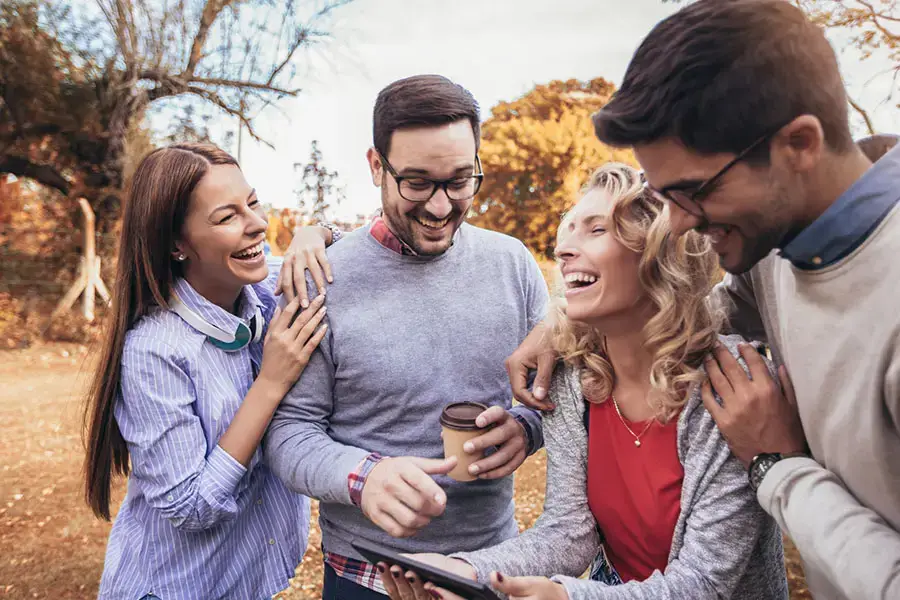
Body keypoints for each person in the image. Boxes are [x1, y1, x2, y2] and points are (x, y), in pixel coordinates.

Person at [509, 1, 900, 598]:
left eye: (693, 192)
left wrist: (776, 465)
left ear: (799, 145)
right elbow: (682, 314)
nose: (679, 224)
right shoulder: (777, 254)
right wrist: (564, 323)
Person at [377, 163, 786, 600]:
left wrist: (569, 597)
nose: (564, 249)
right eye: (568, 230)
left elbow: (705, 583)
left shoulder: (728, 389)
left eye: (595, 230)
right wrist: (462, 569)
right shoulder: (575, 378)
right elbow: (569, 532)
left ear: (660, 253)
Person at [264, 74, 548, 599]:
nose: (441, 208)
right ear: (377, 167)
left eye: (460, 181)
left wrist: (527, 429)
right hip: (365, 578)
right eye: (417, 183)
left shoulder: (515, 265)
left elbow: (558, 395)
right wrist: (363, 477)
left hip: (489, 569)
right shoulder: (319, 280)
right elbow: (289, 433)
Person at [82, 143, 327, 599]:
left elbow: (356, 248)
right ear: (177, 243)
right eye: (226, 216)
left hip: (247, 583)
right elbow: (191, 506)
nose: (257, 224)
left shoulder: (266, 288)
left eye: (252, 203)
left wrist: (316, 231)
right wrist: (270, 382)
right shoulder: (155, 351)